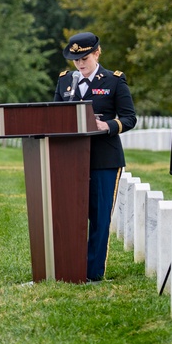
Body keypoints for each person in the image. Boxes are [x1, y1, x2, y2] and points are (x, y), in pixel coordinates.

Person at [53, 32, 136, 282]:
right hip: (71, 158)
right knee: (71, 214)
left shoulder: (114, 81)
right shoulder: (65, 81)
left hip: (103, 159)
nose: (79, 64)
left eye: (84, 58)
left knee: (99, 216)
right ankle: (70, 268)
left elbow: (129, 118)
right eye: (75, 59)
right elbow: (56, 114)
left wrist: (106, 125)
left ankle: (93, 272)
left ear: (97, 53)